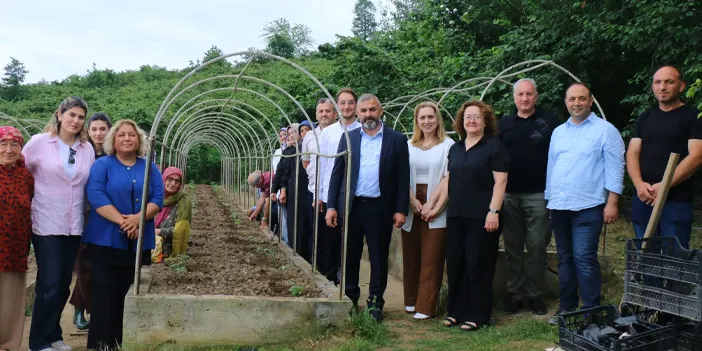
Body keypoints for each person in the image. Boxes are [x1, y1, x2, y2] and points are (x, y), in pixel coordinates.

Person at [326, 93, 410, 322]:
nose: (367, 114)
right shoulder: (349, 138)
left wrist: (401, 209)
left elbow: (404, 178)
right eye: (363, 111)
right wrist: (332, 205)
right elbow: (337, 174)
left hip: (380, 207)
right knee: (350, 256)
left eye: (372, 110)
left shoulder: (397, 139)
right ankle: (351, 299)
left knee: (379, 257)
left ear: (380, 111)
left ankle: (375, 303)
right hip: (352, 207)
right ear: (357, 113)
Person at [546, 83, 625, 324]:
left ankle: (591, 310)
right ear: (566, 102)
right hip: (559, 206)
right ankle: (567, 308)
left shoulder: (605, 130)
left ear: (590, 101)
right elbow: (552, 167)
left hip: (588, 206)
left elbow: (615, 167)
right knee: (565, 259)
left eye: (582, 98)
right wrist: (549, 199)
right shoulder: (559, 132)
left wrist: (612, 202)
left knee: (584, 258)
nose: (576, 103)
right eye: (572, 99)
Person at [83, 119, 164, 350]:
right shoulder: (103, 165)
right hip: (105, 241)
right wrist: (124, 220)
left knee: (128, 295)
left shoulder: (149, 166)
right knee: (104, 296)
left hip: (138, 242)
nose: (127, 139)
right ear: (113, 140)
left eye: (132, 135)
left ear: (139, 140)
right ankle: (101, 345)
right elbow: (96, 195)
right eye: (122, 135)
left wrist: (138, 218)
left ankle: (123, 343)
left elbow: (158, 198)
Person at [23, 96, 95, 351]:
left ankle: (53, 335)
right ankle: (38, 342)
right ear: (60, 115)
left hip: (73, 224)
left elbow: (90, 184)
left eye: (81, 117)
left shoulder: (87, 149)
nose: (76, 121)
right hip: (46, 222)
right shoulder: (39, 144)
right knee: (50, 284)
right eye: (72, 115)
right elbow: (21, 172)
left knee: (63, 284)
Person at [435, 100, 508, 331]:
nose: (472, 120)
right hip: (456, 215)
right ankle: (456, 311)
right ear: (461, 121)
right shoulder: (455, 149)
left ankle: (478, 314)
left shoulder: (495, 147)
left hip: (483, 216)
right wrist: (434, 207)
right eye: (468, 117)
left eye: (477, 117)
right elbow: (448, 180)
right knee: (456, 263)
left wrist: (493, 211)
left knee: (478, 264)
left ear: (486, 121)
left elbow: (501, 182)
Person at [498, 78, 560, 315]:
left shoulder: (550, 122)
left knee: (536, 246)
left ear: (536, 96)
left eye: (529, 94)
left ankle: (535, 295)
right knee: (513, 246)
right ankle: (516, 294)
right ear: (514, 98)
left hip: (540, 193)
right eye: (520, 95)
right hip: (509, 194)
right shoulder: (503, 124)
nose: (524, 98)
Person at [626, 65, 702, 249]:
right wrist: (639, 185)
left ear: (682, 86)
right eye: (658, 82)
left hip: (675, 201)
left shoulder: (693, 117)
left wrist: (664, 186)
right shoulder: (645, 118)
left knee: (673, 258)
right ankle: (651, 280)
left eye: (669, 82)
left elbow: (696, 156)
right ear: (653, 87)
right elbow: (632, 153)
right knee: (647, 258)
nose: (662, 87)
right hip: (644, 197)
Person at [399, 102, 454, 320]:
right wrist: (413, 201)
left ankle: (426, 306)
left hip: (437, 200)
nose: (427, 121)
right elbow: (401, 175)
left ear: (438, 119)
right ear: (417, 120)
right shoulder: (409, 145)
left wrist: (433, 205)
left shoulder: (448, 145)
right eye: (422, 118)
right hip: (412, 201)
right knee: (411, 254)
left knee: (432, 256)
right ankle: (411, 301)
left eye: (431, 117)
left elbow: (449, 178)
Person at [70, 112, 112, 330]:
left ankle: (88, 309)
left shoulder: (114, 154)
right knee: (84, 263)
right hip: (82, 214)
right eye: (94, 129)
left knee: (100, 264)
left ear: (109, 131)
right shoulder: (80, 153)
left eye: (102, 129)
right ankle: (82, 311)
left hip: (108, 216)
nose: (98, 133)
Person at [318, 88, 361, 284]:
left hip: (355, 196)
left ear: (356, 105)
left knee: (351, 243)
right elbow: (324, 166)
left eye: (350, 102)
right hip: (332, 195)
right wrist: (320, 195)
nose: (346, 106)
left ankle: (348, 280)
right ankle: (331, 279)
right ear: (337, 106)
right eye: (342, 103)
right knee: (331, 241)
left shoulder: (363, 130)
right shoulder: (328, 132)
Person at [0, 126, 34, 351]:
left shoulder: (26, 176)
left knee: (10, 301)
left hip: (15, 248)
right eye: (3, 144)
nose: (9, 150)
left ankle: (7, 345)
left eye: (15, 145)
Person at [301, 99, 336, 281]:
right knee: (315, 230)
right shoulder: (309, 136)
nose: (324, 114)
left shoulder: (340, 133)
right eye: (321, 111)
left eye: (327, 111)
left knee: (332, 232)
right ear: (316, 115)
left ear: (334, 114)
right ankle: (318, 268)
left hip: (333, 191)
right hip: (313, 190)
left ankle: (333, 272)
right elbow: (305, 161)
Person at [272, 124, 310, 258]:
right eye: (289, 133)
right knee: (291, 222)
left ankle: (302, 253)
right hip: (290, 191)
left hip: (304, 192)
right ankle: (293, 249)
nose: (291, 136)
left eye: (294, 132)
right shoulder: (288, 151)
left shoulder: (304, 150)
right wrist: (276, 189)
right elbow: (282, 171)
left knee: (302, 225)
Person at [153, 167, 192, 263]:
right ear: (164, 179)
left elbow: (180, 231)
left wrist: (157, 231)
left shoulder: (183, 202)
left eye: (177, 181)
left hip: (167, 248)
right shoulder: (155, 198)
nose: (173, 183)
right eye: (170, 179)